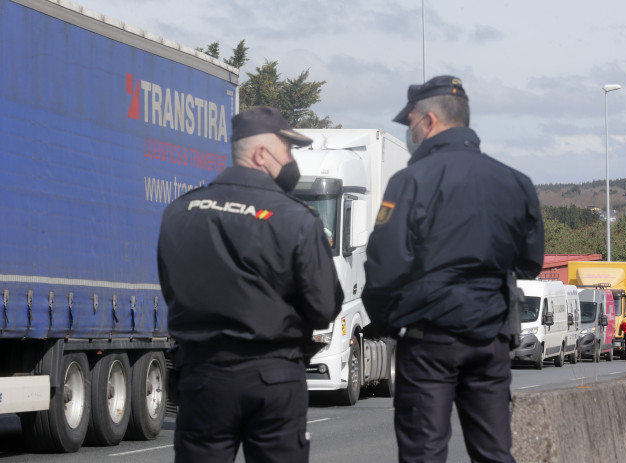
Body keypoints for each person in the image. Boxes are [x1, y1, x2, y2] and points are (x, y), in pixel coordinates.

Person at [362, 75, 544, 463]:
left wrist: (385, 323)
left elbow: (384, 265)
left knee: (424, 451)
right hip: (491, 337)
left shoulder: (410, 181)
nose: (410, 131)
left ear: (428, 121)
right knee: (494, 451)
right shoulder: (516, 183)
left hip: (429, 339)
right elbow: (530, 262)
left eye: (410, 122)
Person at [157, 106, 344, 463]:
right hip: (273, 374)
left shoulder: (180, 211)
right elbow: (323, 307)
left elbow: (172, 289)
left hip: (203, 374)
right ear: (261, 154)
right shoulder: (296, 217)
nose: (291, 161)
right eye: (287, 150)